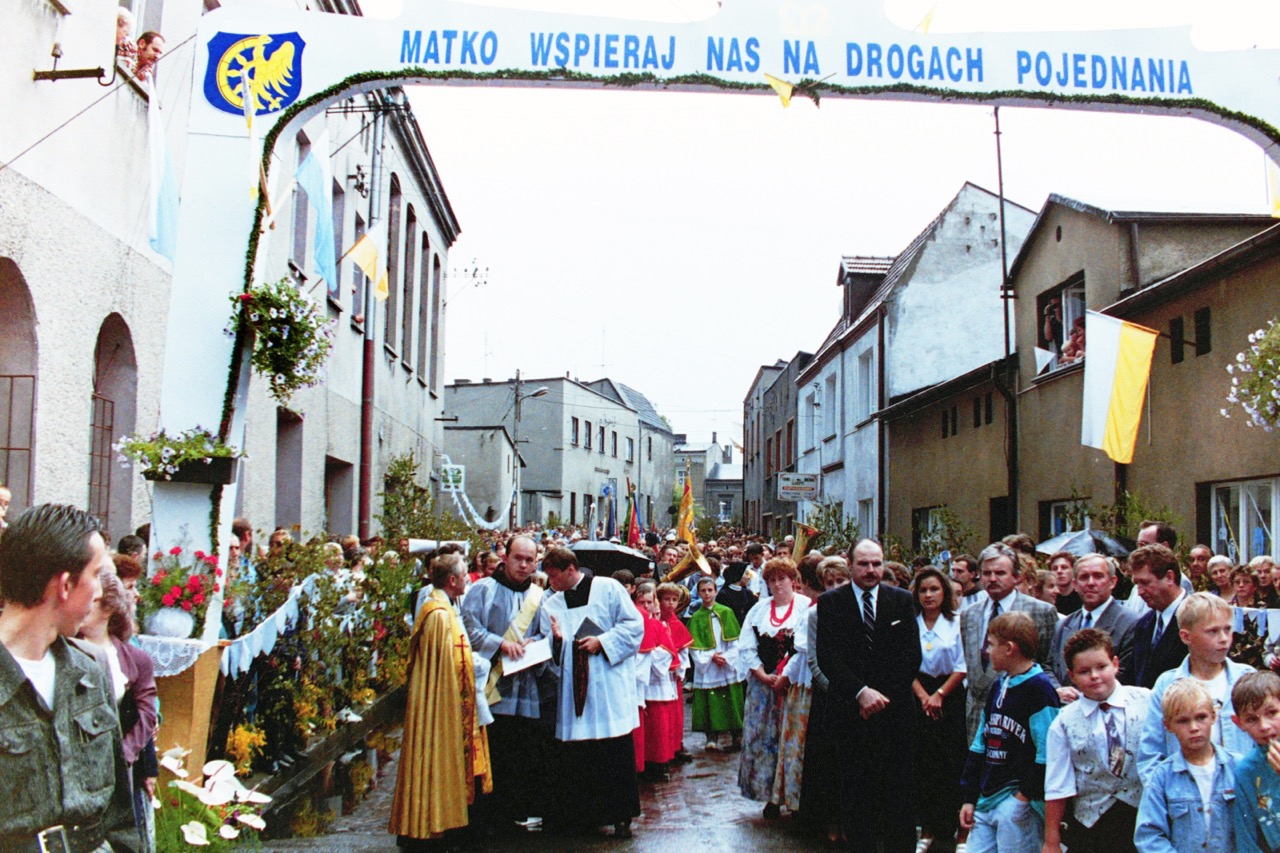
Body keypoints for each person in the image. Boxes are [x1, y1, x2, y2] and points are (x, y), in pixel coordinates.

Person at [0, 504, 137, 850]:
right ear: (65, 585)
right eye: (96, 575)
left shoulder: (89, 672)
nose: (100, 592)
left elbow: (119, 815)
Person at [817, 540, 919, 852]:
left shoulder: (901, 600)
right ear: (850, 565)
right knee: (856, 796)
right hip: (850, 713)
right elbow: (828, 656)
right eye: (863, 563)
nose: (871, 570)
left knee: (898, 798)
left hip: (894, 713)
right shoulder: (831, 603)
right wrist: (861, 694)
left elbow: (911, 656)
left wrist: (881, 697)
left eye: (877, 563)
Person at [539, 547, 644, 839]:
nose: (551, 583)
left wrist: (603, 642)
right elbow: (549, 646)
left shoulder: (608, 588)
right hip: (574, 688)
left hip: (607, 683)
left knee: (613, 749)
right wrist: (556, 641)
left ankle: (621, 816)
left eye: (554, 576)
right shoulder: (552, 603)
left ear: (570, 569)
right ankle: (586, 817)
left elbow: (634, 625)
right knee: (580, 754)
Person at [390, 553, 492, 848]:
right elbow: (447, 665)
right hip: (443, 701)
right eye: (464, 575)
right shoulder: (438, 615)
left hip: (454, 696)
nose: (468, 579)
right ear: (452, 580)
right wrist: (478, 666)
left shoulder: (447, 607)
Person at [459, 534, 551, 834]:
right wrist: (500, 644)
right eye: (517, 558)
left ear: (536, 563)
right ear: (505, 557)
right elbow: (468, 629)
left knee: (520, 751)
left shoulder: (539, 596)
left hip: (525, 685)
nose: (523, 565)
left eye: (529, 560)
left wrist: (536, 642)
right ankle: (486, 817)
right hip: (491, 687)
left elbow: (546, 633)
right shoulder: (482, 589)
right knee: (492, 749)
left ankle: (515, 813)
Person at [959, 612, 1061, 853]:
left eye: (991, 644)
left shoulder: (1040, 690)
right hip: (986, 796)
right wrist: (969, 796)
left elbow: (1048, 752)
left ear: (1009, 649)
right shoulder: (998, 684)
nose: (987, 651)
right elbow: (980, 744)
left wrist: (1024, 796)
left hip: (1016, 799)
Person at [1042, 628, 1149, 853]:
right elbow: (1057, 785)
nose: (1094, 676)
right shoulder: (1063, 722)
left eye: (1101, 667)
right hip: (1090, 827)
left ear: (1115, 664)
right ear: (1071, 676)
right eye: (1084, 671)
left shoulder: (1147, 701)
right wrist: (1051, 841)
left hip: (1143, 819)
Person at [1137, 592, 1255, 785]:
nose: (1224, 639)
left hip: (1241, 789)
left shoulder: (1246, 679)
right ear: (1186, 636)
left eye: (1227, 629)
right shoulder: (1167, 684)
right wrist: (1164, 793)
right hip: (1184, 792)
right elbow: (1151, 752)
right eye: (1213, 632)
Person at [79, 566, 158, 852]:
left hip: (122, 769)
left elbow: (148, 714)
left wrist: (125, 753)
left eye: (92, 600)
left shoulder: (136, 659)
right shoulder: (65, 651)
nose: (82, 605)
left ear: (108, 608)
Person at [960, 542, 1062, 743]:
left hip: (1020, 715)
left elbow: (1048, 663)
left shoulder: (1041, 612)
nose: (992, 578)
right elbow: (973, 667)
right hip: (976, 715)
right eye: (987, 573)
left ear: (1016, 577)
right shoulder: (969, 614)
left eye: (1000, 573)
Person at [738, 557, 810, 820]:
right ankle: (770, 796)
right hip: (763, 687)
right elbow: (746, 646)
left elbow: (804, 648)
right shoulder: (758, 610)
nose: (777, 584)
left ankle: (794, 797)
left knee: (792, 742)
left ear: (793, 580)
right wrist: (761, 673)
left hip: (794, 685)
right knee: (765, 740)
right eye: (772, 579)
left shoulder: (804, 607)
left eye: (782, 578)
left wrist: (785, 677)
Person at [1133, 680, 1237, 852]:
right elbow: (1149, 836)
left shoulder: (1236, 767)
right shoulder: (1162, 777)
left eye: (1201, 717)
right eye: (1183, 721)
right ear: (1168, 726)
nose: (1194, 728)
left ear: (1213, 716)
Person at [911, 566, 967, 853]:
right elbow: (905, 664)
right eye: (923, 590)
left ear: (944, 592)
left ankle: (959, 831)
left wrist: (940, 695)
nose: (929, 595)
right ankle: (927, 829)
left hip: (951, 696)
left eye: (934, 589)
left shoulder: (957, 622)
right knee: (925, 763)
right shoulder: (911, 623)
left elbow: (962, 664)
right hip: (919, 695)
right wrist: (924, 697)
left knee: (952, 762)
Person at [799, 555, 852, 845]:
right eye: (829, 583)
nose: (834, 587)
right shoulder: (815, 614)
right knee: (828, 762)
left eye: (840, 581)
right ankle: (830, 820)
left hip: (857, 695)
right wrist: (835, 689)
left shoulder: (860, 610)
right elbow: (814, 660)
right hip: (829, 695)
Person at [1049, 554, 1139, 693]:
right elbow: (1049, 665)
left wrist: (1083, 694)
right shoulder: (1063, 625)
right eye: (1084, 577)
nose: (1091, 583)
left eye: (1098, 576)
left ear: (1112, 582)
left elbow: (1125, 673)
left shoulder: (1131, 623)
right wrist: (1058, 689)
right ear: (1075, 585)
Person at [688, 576, 743, 752]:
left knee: (731, 698)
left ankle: (737, 734)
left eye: (710, 590)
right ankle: (711, 736)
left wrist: (726, 657)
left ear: (716, 591)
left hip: (726, 664)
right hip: (708, 666)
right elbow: (693, 648)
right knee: (710, 701)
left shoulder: (726, 612)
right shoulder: (696, 618)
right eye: (703, 591)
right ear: (698, 593)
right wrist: (711, 656)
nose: (707, 594)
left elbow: (735, 641)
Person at [1229, 671, 1280, 853]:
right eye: (1252, 719)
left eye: (1271, 713)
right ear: (1238, 723)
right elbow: (1246, 837)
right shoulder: (1246, 770)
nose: (1264, 726)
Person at [1130, 544, 1191, 689]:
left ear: (1169, 577)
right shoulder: (1143, 624)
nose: (1139, 592)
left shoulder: (1197, 619)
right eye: (1137, 584)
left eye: (1145, 583)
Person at [716, 560, 757, 627]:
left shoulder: (748, 593)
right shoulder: (723, 595)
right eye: (746, 574)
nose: (749, 577)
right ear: (739, 574)